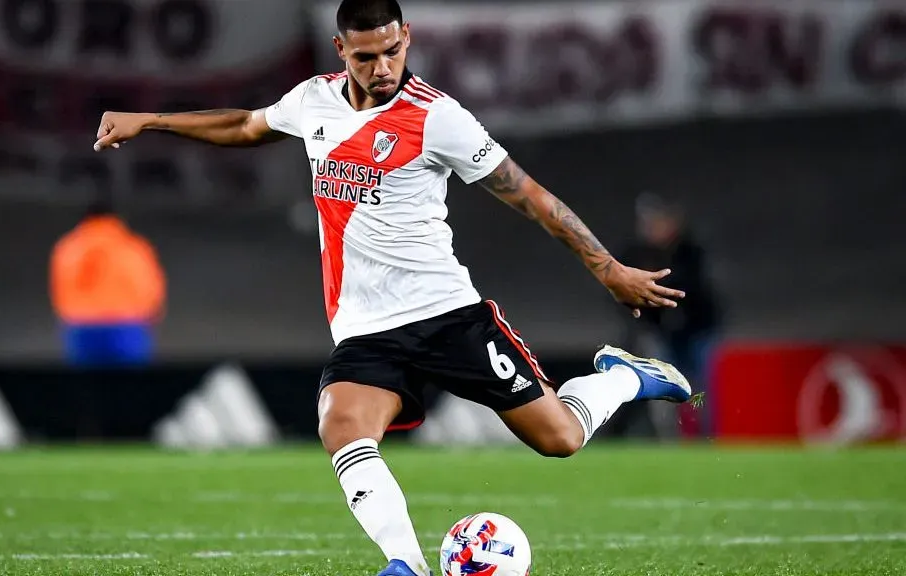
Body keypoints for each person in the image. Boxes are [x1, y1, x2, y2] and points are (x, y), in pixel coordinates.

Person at [92, 1, 692, 574]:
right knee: (341, 423)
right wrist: (151, 121)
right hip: (365, 328)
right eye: (366, 56)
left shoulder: (438, 118)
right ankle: (406, 563)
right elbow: (247, 125)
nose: (382, 67)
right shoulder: (313, 100)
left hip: (448, 315)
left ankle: (622, 376)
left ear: (406, 38)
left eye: (391, 51)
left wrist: (607, 267)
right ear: (340, 49)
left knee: (559, 438)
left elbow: (530, 196)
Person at [618, 192, 722, 436]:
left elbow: (694, 290)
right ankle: (671, 436)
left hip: (697, 329)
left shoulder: (689, 252)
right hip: (662, 331)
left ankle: (706, 434)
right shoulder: (637, 254)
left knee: (701, 385)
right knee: (665, 384)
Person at [50, 199, 166, 367]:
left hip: (81, 325)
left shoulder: (68, 247)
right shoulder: (133, 246)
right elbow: (147, 285)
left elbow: (60, 287)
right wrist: (153, 313)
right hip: (126, 325)